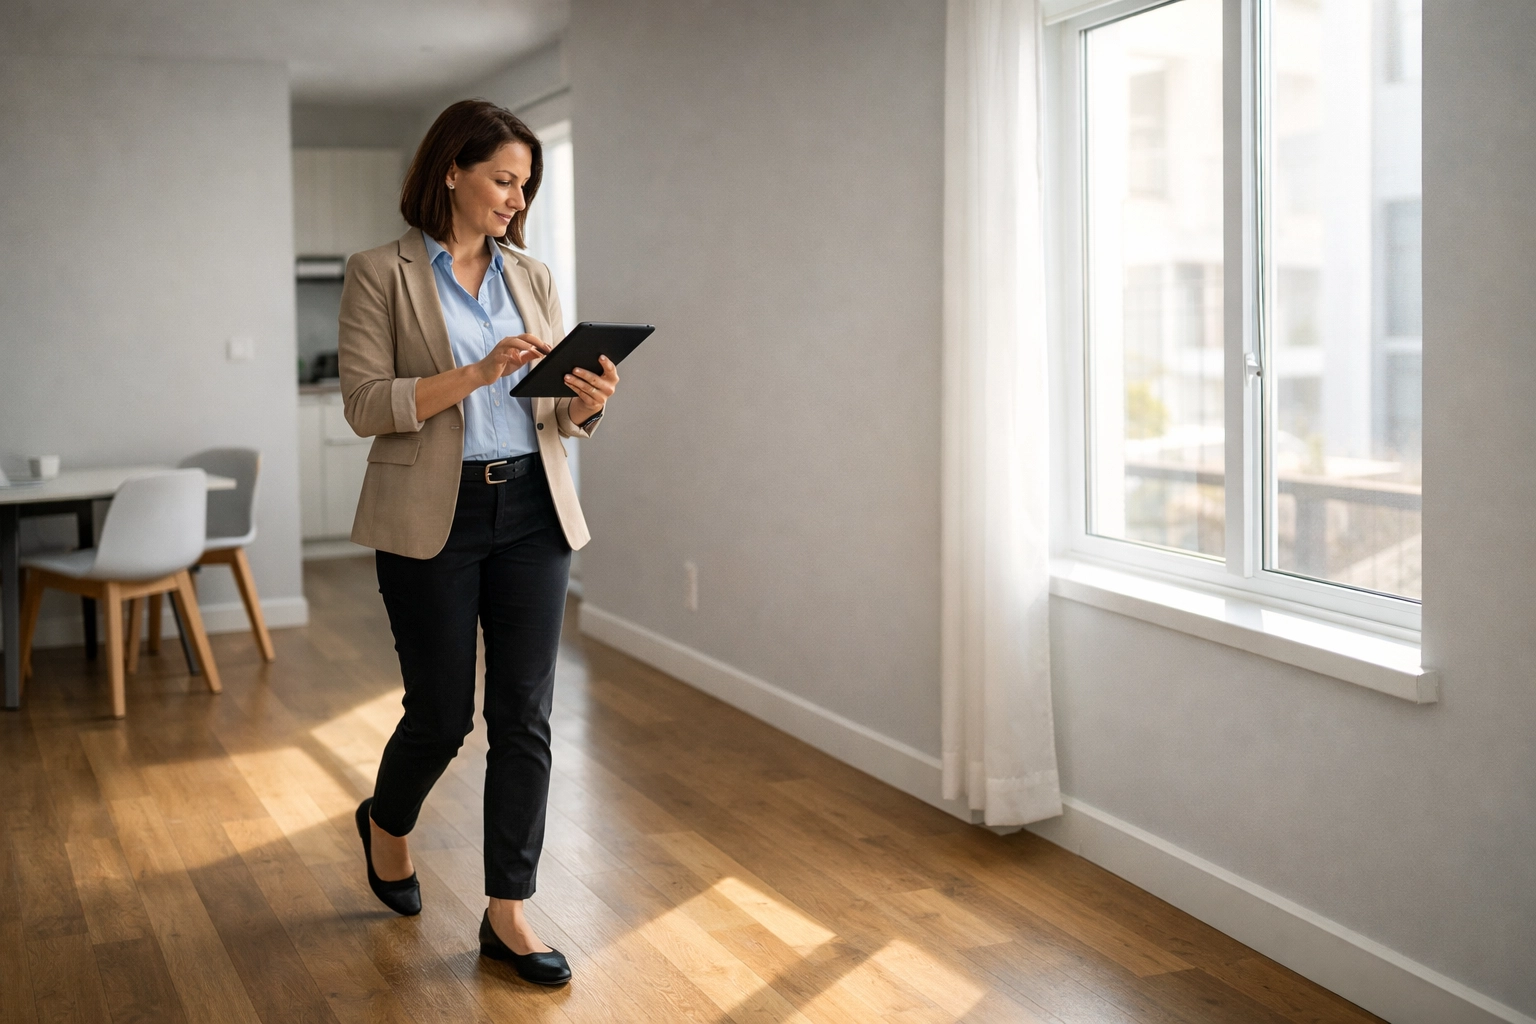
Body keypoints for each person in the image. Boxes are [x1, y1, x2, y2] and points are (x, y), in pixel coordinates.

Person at [337, 99, 618, 986]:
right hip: (434, 514)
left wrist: (586, 404)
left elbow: (553, 415)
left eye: (525, 186)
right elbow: (365, 405)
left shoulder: (531, 274)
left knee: (525, 715)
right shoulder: (378, 272)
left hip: (533, 510)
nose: (515, 199)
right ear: (452, 170)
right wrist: (475, 372)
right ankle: (386, 822)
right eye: (503, 179)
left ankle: (509, 913)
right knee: (441, 714)